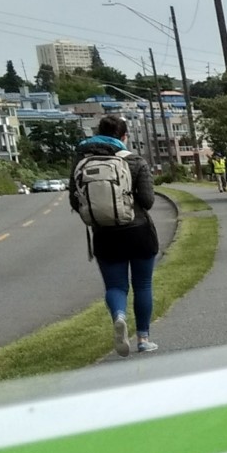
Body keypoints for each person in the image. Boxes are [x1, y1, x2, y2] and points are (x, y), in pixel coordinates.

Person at [70, 115, 160, 355]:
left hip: (105, 234)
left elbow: (74, 200)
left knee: (115, 286)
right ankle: (143, 338)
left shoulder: (81, 161)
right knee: (142, 284)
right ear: (124, 137)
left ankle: (119, 315)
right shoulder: (135, 160)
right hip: (139, 231)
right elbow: (148, 201)